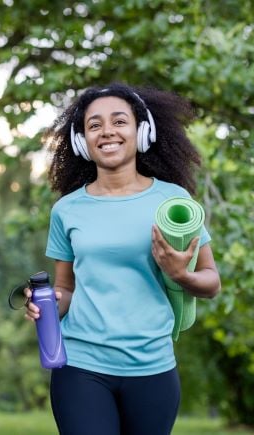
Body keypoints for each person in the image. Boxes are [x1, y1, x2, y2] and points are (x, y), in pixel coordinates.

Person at [24, 82, 221, 435]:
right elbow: (65, 290)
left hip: (152, 367)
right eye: (94, 125)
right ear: (83, 140)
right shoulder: (67, 209)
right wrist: (49, 303)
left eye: (119, 121)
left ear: (141, 131)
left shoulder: (173, 201)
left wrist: (181, 275)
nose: (107, 132)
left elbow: (211, 282)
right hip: (81, 367)